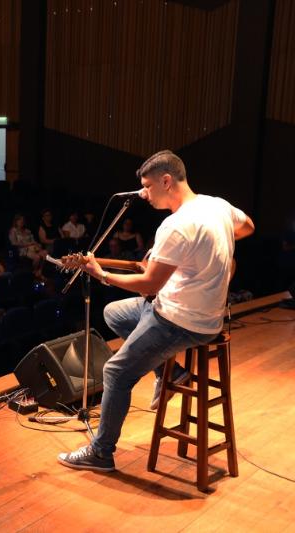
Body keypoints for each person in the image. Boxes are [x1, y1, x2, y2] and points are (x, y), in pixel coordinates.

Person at [57, 150, 255, 473]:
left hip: (182, 322)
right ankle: (169, 371)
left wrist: (101, 275)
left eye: (148, 187)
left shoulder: (175, 226)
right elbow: (247, 225)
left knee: (116, 372)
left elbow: (149, 285)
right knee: (114, 314)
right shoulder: (216, 205)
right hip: (206, 316)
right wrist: (207, 250)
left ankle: (101, 452)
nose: (144, 195)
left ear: (166, 181)